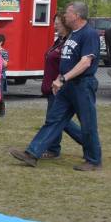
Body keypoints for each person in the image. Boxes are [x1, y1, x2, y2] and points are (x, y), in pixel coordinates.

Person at [11, 1, 103, 171]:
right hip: (68, 86)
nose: (65, 16)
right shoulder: (73, 34)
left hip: (82, 85)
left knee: (88, 123)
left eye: (68, 13)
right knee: (54, 120)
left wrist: (63, 78)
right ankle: (32, 154)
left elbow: (85, 63)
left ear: (76, 15)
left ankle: (93, 160)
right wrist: (61, 81)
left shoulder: (89, 34)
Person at [37, 13, 83, 159]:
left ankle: (87, 142)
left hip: (58, 88)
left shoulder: (68, 43)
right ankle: (54, 148)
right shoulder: (59, 41)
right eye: (54, 22)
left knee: (58, 120)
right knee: (56, 120)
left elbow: (70, 65)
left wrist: (60, 81)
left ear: (65, 25)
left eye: (57, 23)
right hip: (51, 87)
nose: (55, 25)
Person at [0, 33, 9, 116]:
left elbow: (5, 64)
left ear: (0, 42)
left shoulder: (4, 52)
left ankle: (2, 108)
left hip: (0, 75)